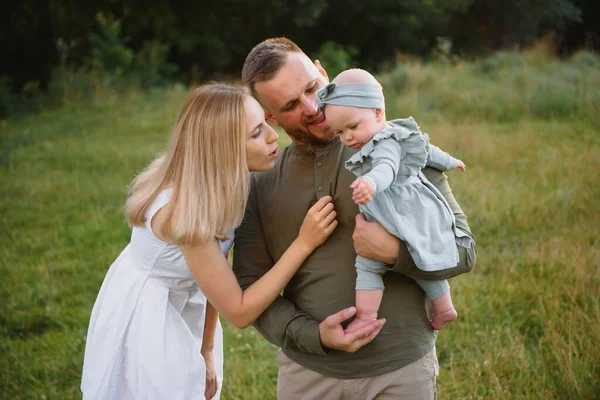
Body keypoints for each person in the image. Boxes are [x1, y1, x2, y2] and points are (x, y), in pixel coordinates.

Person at [234, 37, 476, 399]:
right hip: (308, 374)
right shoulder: (261, 182)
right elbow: (250, 287)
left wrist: (396, 253)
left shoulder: (400, 146)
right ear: (270, 117)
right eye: (290, 105)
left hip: (402, 370)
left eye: (313, 88)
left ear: (322, 71)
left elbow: (465, 251)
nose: (313, 106)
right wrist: (313, 336)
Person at [80, 83, 338, 400]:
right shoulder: (185, 216)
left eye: (266, 125)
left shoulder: (223, 183)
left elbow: (217, 277)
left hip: (189, 300)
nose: (274, 137)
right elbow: (240, 312)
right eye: (257, 133)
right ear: (223, 149)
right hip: (149, 313)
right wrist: (303, 244)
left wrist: (206, 347)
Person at [315, 68, 472, 332]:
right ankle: (443, 308)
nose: (347, 137)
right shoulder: (392, 134)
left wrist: (371, 182)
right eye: (340, 132)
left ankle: (367, 317)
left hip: (402, 212)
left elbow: (386, 167)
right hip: (390, 216)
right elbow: (427, 150)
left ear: (377, 113)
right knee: (419, 257)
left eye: (352, 127)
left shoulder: (385, 142)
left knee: (370, 265)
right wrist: (450, 161)